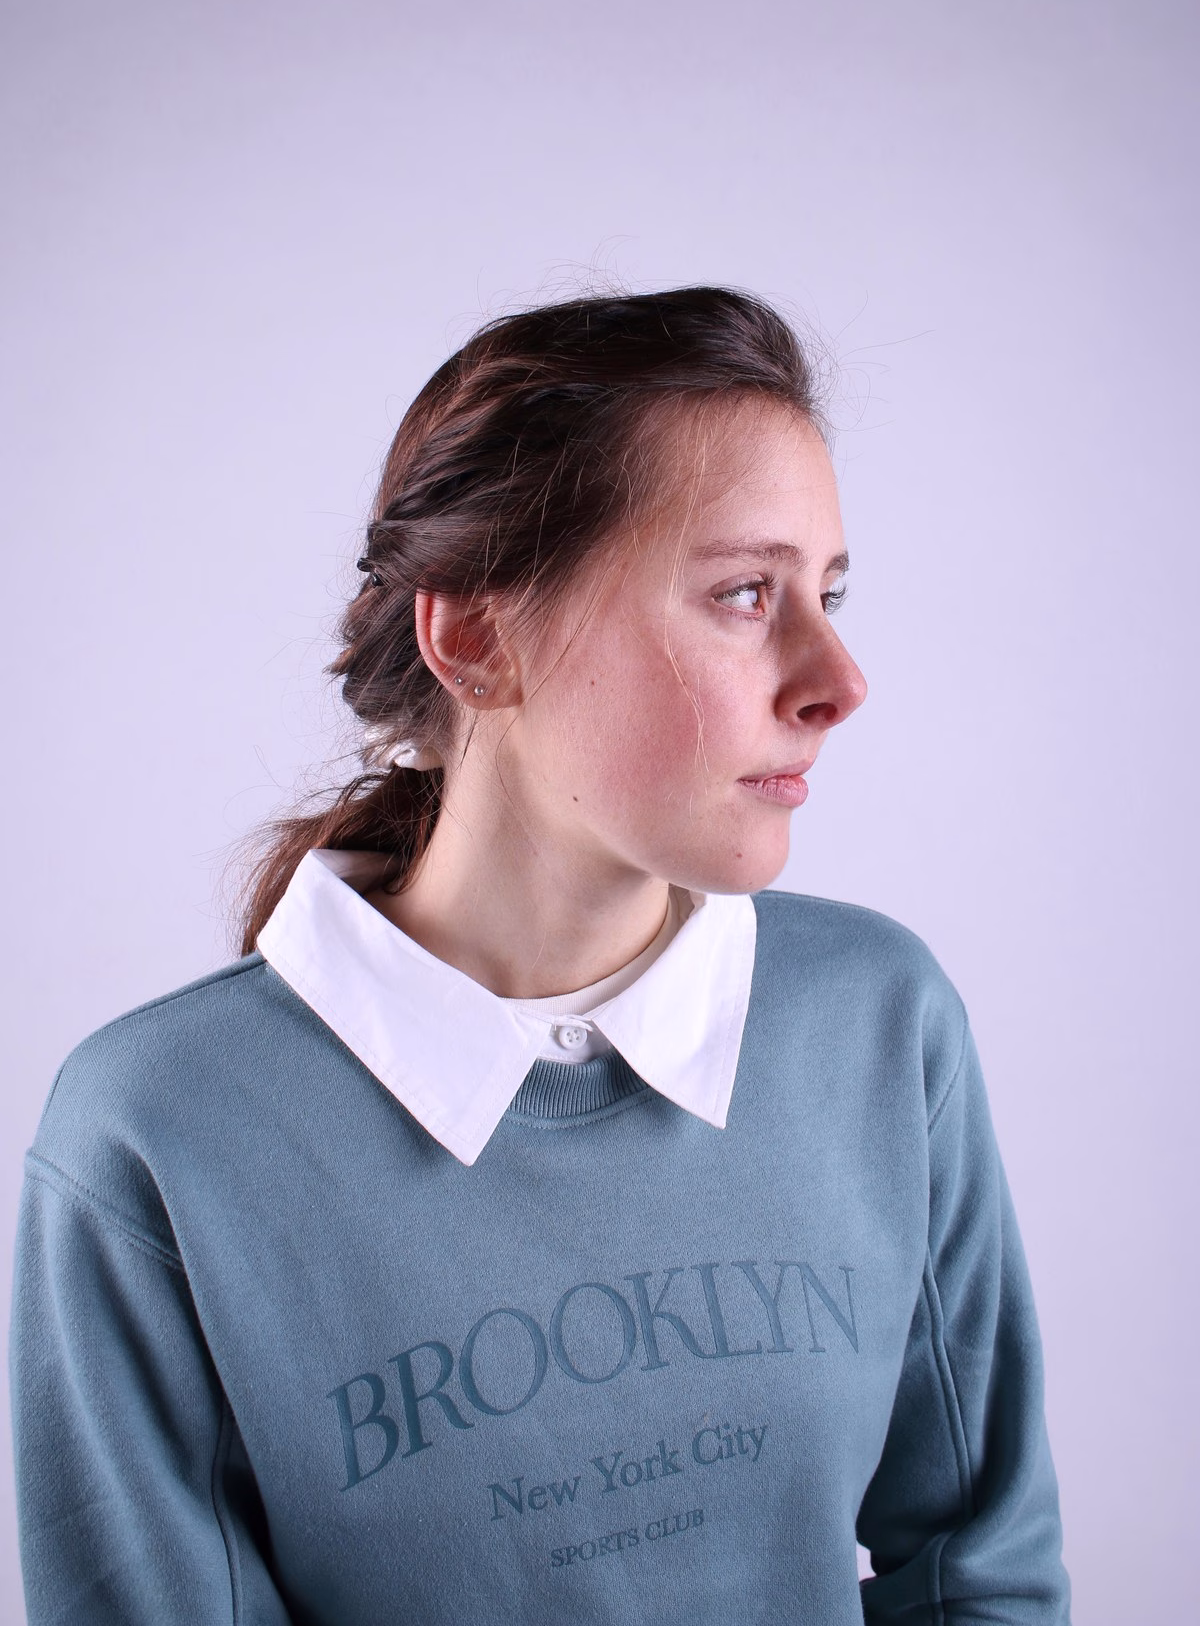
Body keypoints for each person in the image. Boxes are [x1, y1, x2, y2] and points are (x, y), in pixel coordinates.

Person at [9, 287, 1071, 1623]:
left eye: (829, 592)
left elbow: (982, 1570)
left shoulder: (878, 1023)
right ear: (476, 637)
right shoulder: (160, 1137)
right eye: (746, 593)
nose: (838, 680)